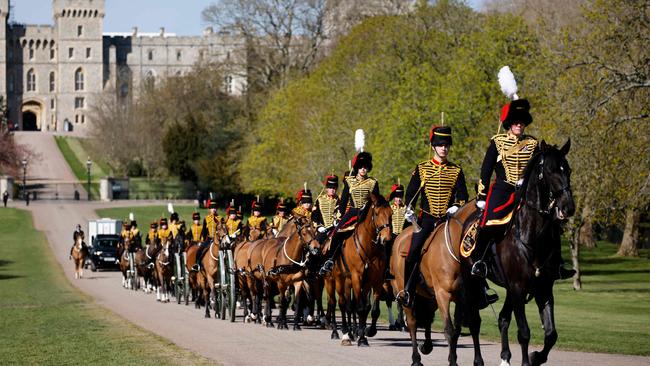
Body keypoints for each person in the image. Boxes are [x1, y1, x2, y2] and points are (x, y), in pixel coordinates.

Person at [472, 98, 575, 280]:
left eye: (522, 121)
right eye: (515, 121)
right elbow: (485, 171)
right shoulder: (497, 143)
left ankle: (558, 263)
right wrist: (481, 195)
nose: (519, 125)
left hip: (526, 191)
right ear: (509, 124)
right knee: (488, 223)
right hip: (503, 190)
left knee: (552, 223)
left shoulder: (533, 143)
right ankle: (479, 262)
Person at [397, 125, 470, 307]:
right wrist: (409, 209)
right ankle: (407, 290)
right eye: (440, 144)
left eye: (446, 144)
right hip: (427, 219)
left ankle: (480, 291)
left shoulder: (456, 170)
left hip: (448, 220)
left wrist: (455, 207)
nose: (444, 148)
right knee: (413, 250)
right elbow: (412, 193)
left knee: (470, 249)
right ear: (433, 146)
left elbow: (463, 196)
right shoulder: (422, 169)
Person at [320, 148, 379, 275]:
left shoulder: (373, 182)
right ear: (357, 168)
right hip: (352, 212)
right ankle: (330, 260)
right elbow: (343, 201)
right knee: (336, 233)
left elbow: (376, 202)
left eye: (365, 167)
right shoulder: (349, 182)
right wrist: (338, 216)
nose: (363, 169)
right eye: (361, 167)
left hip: (367, 214)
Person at [313, 175, 340, 244]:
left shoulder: (339, 200)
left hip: (334, 228)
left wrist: (336, 221)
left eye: (334, 188)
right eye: (330, 188)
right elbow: (315, 215)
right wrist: (319, 226)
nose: (332, 190)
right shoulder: (320, 199)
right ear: (326, 189)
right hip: (322, 228)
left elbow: (340, 213)